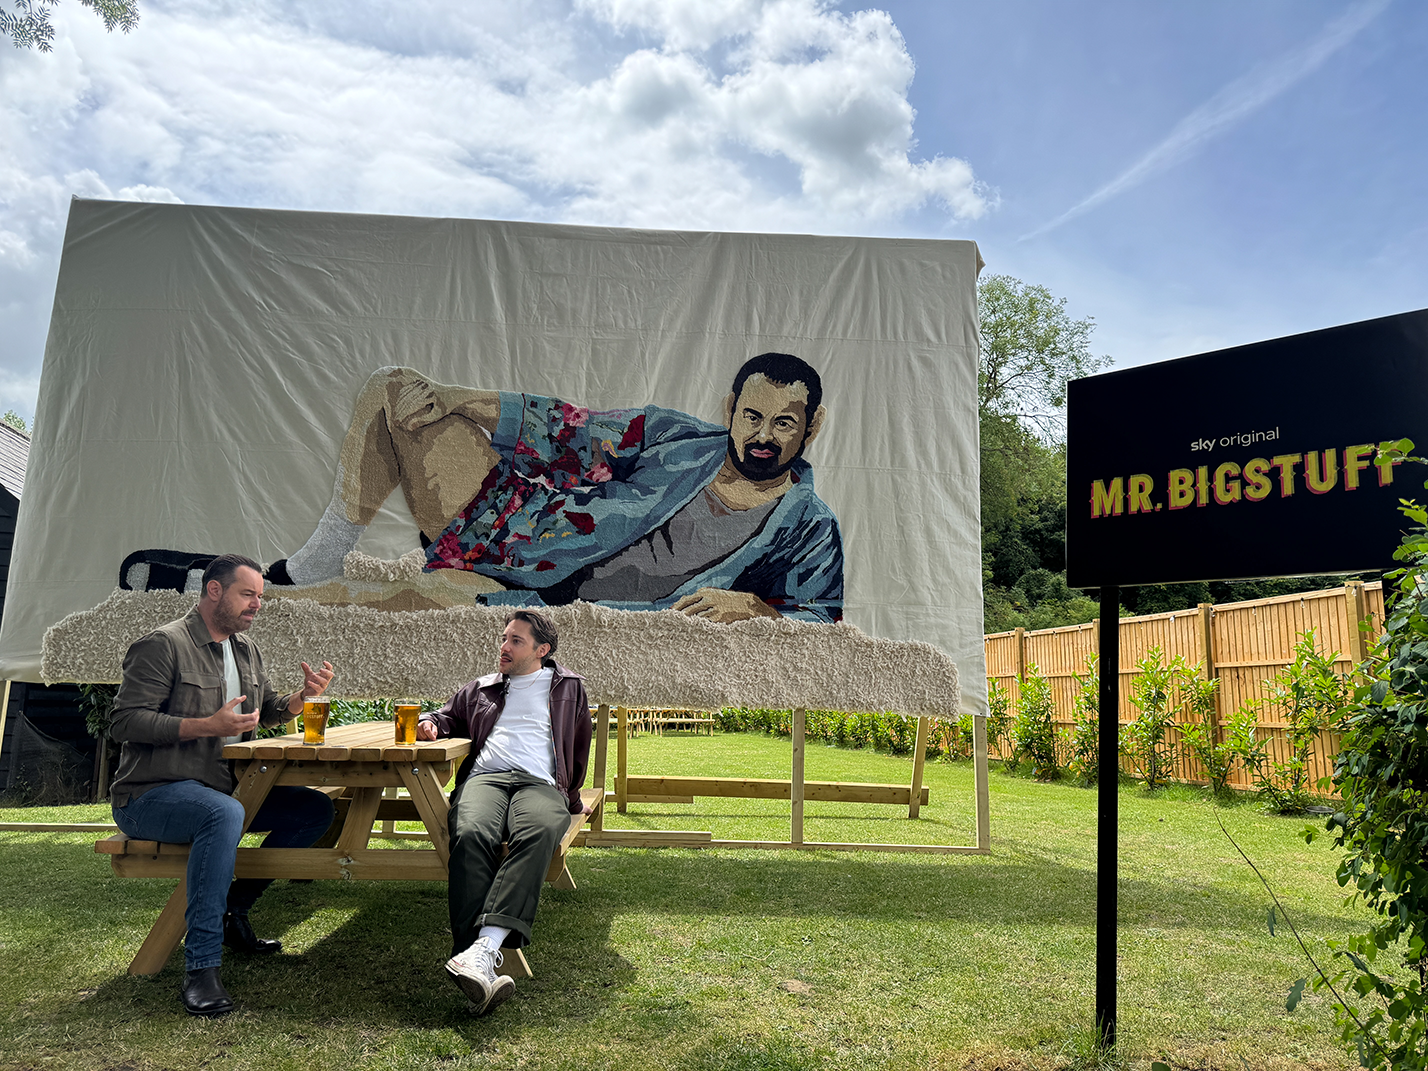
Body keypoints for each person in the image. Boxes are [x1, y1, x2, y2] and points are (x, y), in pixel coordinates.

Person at [271, 353, 844, 623]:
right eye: (751, 417)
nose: (763, 436)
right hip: (518, 528)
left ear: (811, 426)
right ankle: (316, 560)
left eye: (785, 423)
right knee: (395, 388)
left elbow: (820, 619)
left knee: (388, 606)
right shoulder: (676, 438)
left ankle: (267, 598)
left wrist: (756, 609)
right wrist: (455, 397)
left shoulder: (810, 526)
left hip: (547, 601)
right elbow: (573, 429)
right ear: (731, 408)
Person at [108, 553, 337, 1017]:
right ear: (214, 591)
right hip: (149, 795)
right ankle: (201, 968)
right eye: (248, 594)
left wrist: (299, 700)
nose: (256, 605)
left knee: (314, 810)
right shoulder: (163, 645)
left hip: (222, 789)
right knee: (224, 813)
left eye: (260, 597)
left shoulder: (245, 648)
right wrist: (203, 726)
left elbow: (262, 710)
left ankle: (235, 911)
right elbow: (124, 722)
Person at [416, 608, 593, 1015]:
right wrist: (430, 723)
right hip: (486, 779)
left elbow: (579, 746)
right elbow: (446, 715)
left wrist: (571, 796)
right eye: (504, 637)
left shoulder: (567, 687)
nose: (504, 647)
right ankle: (476, 959)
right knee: (472, 832)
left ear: (541, 650)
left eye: (516, 640)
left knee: (537, 834)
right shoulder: (481, 687)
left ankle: (479, 951)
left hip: (540, 784)